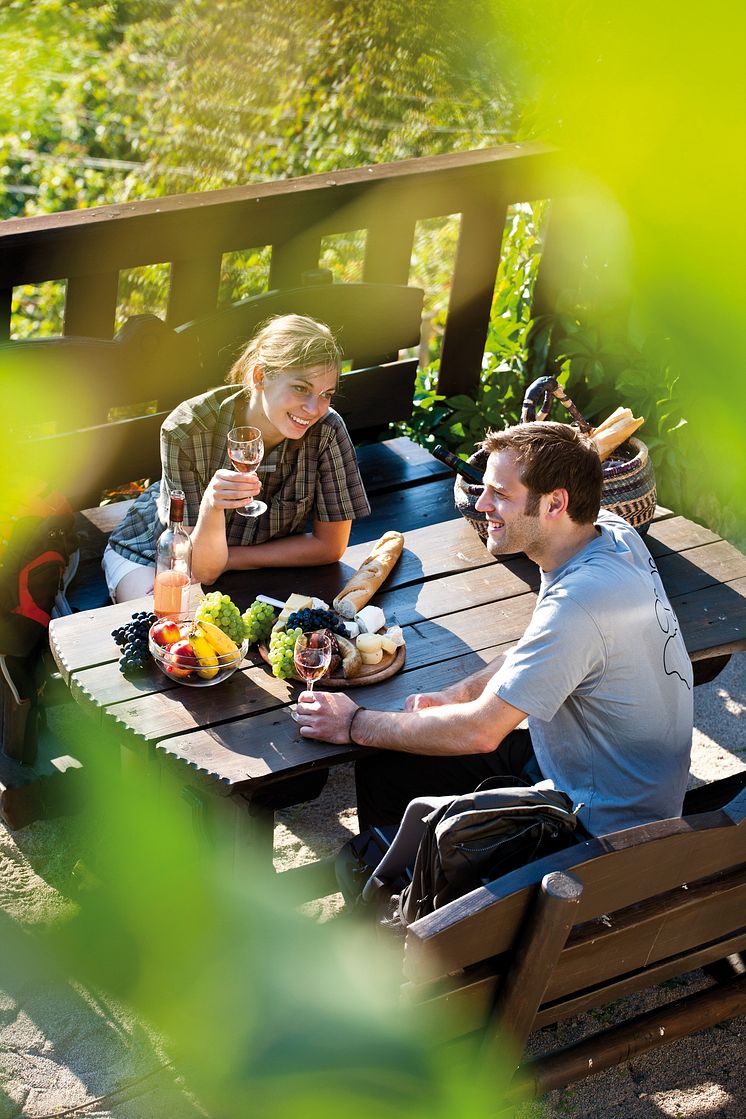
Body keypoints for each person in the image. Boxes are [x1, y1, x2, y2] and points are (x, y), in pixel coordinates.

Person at [296, 421, 694, 840]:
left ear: (555, 503)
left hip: (603, 831)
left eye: (501, 494)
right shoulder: (611, 534)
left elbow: (481, 731)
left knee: (381, 756)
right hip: (625, 784)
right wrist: (457, 694)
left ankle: (405, 892)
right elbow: (538, 649)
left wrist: (354, 722)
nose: (482, 503)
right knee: (396, 758)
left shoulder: (578, 602)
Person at [103, 314, 371, 601]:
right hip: (157, 555)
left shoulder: (327, 430)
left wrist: (230, 559)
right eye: (300, 388)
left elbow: (330, 547)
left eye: (326, 394)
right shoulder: (188, 429)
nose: (313, 408)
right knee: (170, 622)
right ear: (260, 377)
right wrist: (211, 505)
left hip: (256, 564)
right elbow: (199, 568)